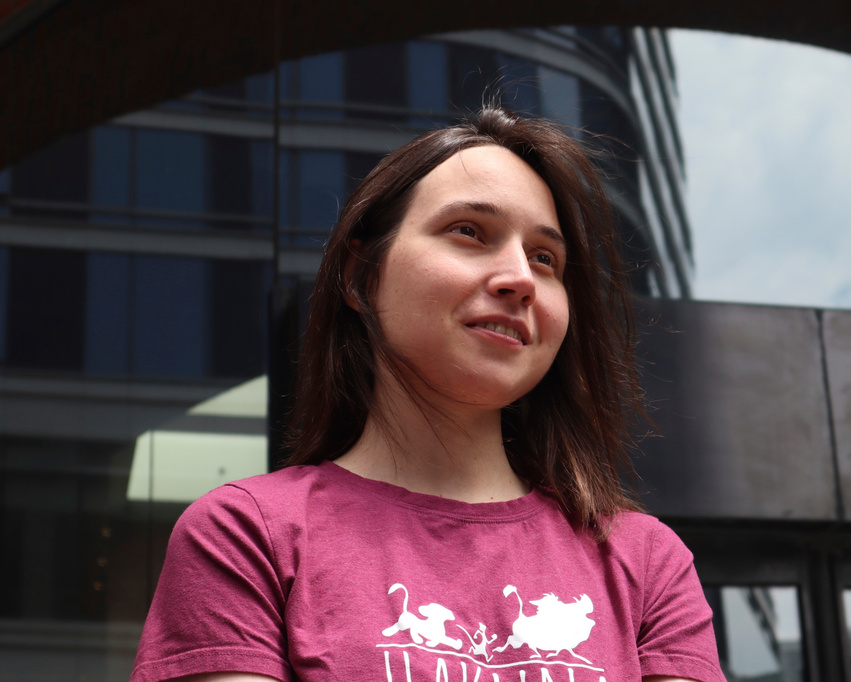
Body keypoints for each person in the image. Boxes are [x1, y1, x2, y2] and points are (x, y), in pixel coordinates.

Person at [130, 107, 726, 682]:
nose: (520, 278)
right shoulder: (246, 536)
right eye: (469, 231)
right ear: (361, 276)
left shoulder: (645, 562)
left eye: (545, 258)